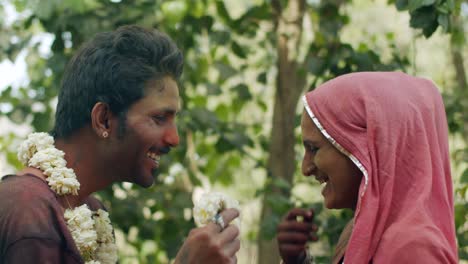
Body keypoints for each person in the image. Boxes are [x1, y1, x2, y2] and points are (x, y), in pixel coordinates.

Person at [0, 25, 240, 264]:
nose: (174, 139)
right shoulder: (28, 210)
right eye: (159, 118)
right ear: (103, 119)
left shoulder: (91, 211)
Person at [277, 72, 459, 263]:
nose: (305, 168)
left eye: (314, 148)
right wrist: (297, 260)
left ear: (367, 151)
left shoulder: (412, 248)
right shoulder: (364, 232)